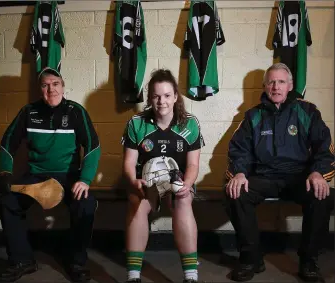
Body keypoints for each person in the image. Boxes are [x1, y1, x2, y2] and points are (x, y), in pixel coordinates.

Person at [223, 63, 334, 282]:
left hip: (299, 176)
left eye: (281, 82)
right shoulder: (252, 116)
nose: (276, 87)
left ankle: (309, 260)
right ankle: (250, 258)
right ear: (265, 86)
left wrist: (318, 173)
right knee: (234, 192)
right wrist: (239, 173)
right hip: (264, 176)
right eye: (271, 82)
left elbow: (325, 148)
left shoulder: (308, 112)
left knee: (322, 196)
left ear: (290, 85)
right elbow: (239, 151)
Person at [0, 67, 101, 283]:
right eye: (45, 85)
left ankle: (76, 262)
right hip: (35, 176)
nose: (50, 89)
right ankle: (22, 260)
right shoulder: (28, 112)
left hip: (69, 176)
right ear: (40, 89)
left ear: (63, 87)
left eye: (55, 84)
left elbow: (93, 146)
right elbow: (7, 144)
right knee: (7, 201)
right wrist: (5, 172)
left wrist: (85, 179)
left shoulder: (75, 111)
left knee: (86, 204)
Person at [121, 69, 204, 283]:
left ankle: (191, 275)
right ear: (150, 98)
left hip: (178, 180)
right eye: (156, 96)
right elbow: (129, 163)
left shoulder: (190, 124)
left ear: (175, 96)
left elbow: (193, 164)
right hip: (145, 181)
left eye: (167, 95)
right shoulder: (136, 123)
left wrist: (187, 183)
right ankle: (133, 275)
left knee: (183, 200)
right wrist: (134, 181)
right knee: (136, 202)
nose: (162, 101)